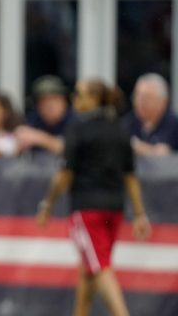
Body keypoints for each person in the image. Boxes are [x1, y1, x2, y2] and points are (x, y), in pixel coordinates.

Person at [37, 78, 151, 316]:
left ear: (94, 99)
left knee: (99, 267)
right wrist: (140, 214)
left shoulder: (77, 129)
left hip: (86, 209)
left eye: (79, 94)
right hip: (114, 210)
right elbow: (130, 177)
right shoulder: (120, 130)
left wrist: (47, 204)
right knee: (89, 267)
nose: (74, 99)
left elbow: (64, 175)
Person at [15, 75, 74, 155]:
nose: (49, 105)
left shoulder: (75, 120)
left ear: (64, 101)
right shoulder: (35, 118)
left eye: (54, 99)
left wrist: (40, 137)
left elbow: (72, 149)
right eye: (43, 101)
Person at [122, 73, 178, 156]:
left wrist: (137, 147)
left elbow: (164, 155)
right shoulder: (128, 123)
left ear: (163, 102)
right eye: (136, 96)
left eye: (145, 98)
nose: (139, 102)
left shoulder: (174, 125)